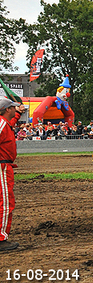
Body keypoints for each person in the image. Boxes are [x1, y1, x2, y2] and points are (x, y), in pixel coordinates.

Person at [0, 98, 26, 252]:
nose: (15, 110)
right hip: (2, 166)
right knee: (5, 203)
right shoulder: (2, 123)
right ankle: (1, 239)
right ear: (7, 109)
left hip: (4, 165)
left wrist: (18, 115)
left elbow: (10, 125)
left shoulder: (4, 123)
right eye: (13, 108)